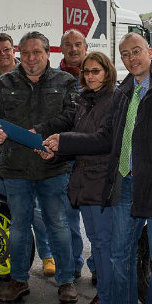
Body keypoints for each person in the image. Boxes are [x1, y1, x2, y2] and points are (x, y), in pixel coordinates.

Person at [46, 32, 152, 304]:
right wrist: (63, 141)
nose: (131, 59)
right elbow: (105, 138)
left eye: (136, 51)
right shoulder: (123, 92)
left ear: (150, 53)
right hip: (125, 186)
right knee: (119, 256)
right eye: (125, 54)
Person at [0, 31, 79, 304]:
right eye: (25, 53)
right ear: (19, 55)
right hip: (16, 169)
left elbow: (73, 115)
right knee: (20, 228)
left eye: (37, 52)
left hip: (53, 167)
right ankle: (19, 280)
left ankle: (66, 280)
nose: (31, 58)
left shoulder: (66, 81)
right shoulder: (4, 83)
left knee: (58, 225)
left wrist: (43, 131)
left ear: (48, 54)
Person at [40, 51, 117, 304]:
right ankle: (103, 297)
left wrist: (64, 141)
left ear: (107, 72)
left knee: (105, 246)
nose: (90, 76)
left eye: (96, 71)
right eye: (86, 71)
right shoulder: (85, 100)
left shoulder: (113, 99)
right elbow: (79, 142)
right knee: (97, 244)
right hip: (85, 181)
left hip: (102, 183)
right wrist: (57, 151)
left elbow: (103, 140)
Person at [0, 33, 56, 278]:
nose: (2, 54)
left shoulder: (29, 74)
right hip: (1, 154)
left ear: (14, 51)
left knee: (36, 211)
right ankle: (12, 261)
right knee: (10, 210)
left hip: (31, 152)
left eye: (6, 50)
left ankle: (47, 255)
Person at [57, 29, 90, 280]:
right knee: (68, 220)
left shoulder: (98, 74)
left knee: (96, 220)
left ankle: (99, 268)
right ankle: (73, 265)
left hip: (93, 159)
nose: (74, 48)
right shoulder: (53, 79)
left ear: (86, 47)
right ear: (61, 49)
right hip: (64, 158)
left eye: (78, 44)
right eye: (68, 45)